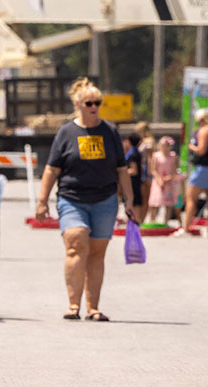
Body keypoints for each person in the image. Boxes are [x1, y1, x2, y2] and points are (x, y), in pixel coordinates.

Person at [34, 78, 134, 322]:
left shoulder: (110, 132)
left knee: (97, 253)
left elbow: (122, 169)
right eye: (89, 103)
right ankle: (73, 305)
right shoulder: (66, 133)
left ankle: (93, 308)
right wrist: (42, 200)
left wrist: (129, 201)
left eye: (97, 103)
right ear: (78, 104)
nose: (94, 107)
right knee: (77, 244)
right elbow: (51, 169)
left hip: (105, 199)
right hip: (72, 198)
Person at [175, 109, 208, 237]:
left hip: (204, 168)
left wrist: (191, 147)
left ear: (200, 120)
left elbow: (201, 150)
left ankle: (185, 229)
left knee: (190, 197)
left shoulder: (204, 131)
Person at [148, 136, 180, 225]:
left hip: (169, 181)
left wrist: (170, 177)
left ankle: (166, 221)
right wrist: (159, 179)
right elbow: (153, 170)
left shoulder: (173, 156)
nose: (165, 148)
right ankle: (152, 220)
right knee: (155, 202)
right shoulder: (156, 155)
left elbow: (176, 169)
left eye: (167, 146)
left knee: (168, 203)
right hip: (158, 181)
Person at [123, 133, 148, 225]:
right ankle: (136, 220)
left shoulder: (133, 154)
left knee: (134, 201)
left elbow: (134, 170)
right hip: (136, 181)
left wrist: (122, 172)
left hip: (133, 182)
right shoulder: (136, 152)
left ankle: (136, 220)